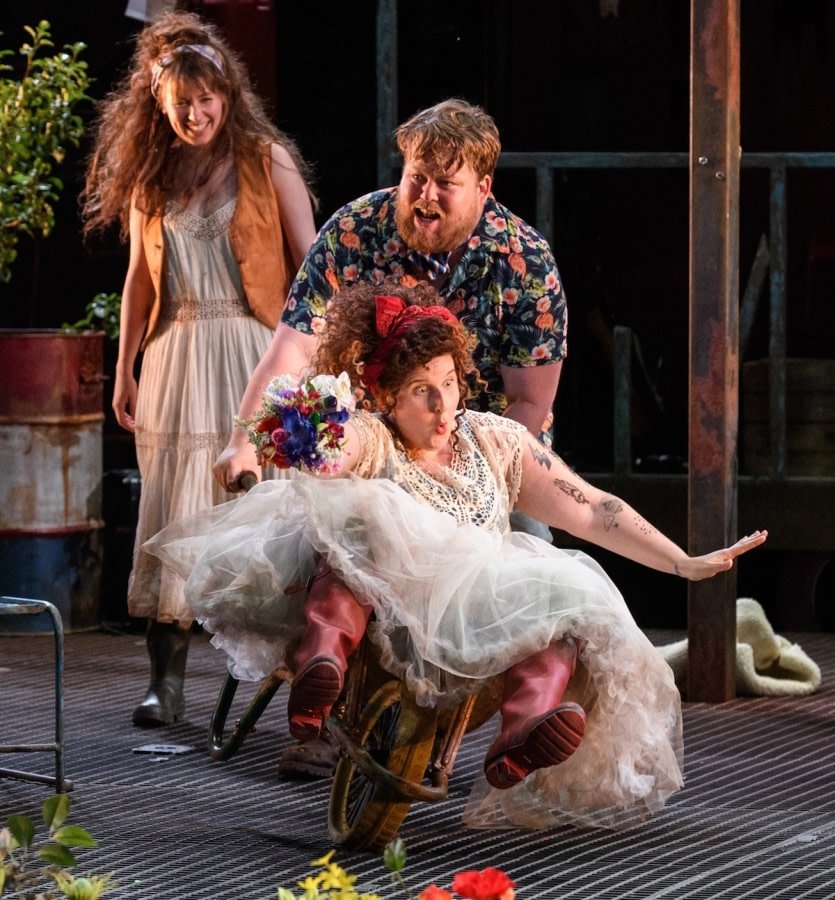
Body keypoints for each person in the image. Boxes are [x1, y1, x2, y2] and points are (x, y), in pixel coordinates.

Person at [144, 280, 767, 830]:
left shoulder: (493, 439)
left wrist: (683, 562)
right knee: (358, 521)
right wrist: (308, 438)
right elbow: (336, 451)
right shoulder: (373, 434)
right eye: (422, 393)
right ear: (385, 395)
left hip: (470, 618)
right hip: (389, 611)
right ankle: (323, 661)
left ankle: (522, 734)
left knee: (562, 599)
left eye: (449, 385)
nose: (443, 408)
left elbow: (592, 509)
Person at [212, 97, 566, 776]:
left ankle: (518, 727)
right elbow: (291, 348)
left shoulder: (523, 262)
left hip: (479, 450)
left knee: (538, 571)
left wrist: (469, 491)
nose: (425, 197)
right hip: (368, 442)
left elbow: (528, 406)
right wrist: (245, 438)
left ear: (483, 189)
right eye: (415, 179)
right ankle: (320, 702)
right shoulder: (354, 231)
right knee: (321, 535)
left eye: (445, 184)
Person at [81, 10, 317, 727]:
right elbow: (138, 282)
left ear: (228, 92)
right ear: (157, 103)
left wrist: (320, 361)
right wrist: (123, 368)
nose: (196, 112)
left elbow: (311, 260)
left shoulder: (265, 156)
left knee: (271, 510)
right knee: (174, 506)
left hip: (255, 350)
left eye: (207, 96)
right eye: (181, 101)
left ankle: (301, 681)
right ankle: (167, 682)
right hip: (177, 355)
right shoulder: (151, 177)